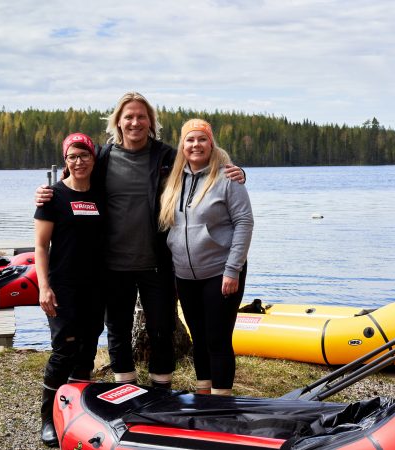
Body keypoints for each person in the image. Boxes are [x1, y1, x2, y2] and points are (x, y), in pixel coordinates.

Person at [35, 92, 245, 389]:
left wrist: (236, 171)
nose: (135, 122)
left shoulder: (166, 156)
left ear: (150, 122)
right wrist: (49, 193)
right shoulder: (104, 156)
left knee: (161, 329)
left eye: (141, 116)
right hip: (112, 263)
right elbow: (75, 178)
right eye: (128, 117)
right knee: (117, 331)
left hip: (156, 262)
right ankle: (126, 390)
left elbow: (200, 163)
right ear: (118, 123)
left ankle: (160, 391)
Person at [159, 119, 253, 396]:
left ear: (211, 144)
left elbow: (244, 223)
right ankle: (204, 397)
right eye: (190, 140)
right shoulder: (174, 180)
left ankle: (221, 402)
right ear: (182, 146)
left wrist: (233, 269)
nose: (196, 145)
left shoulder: (228, 179)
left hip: (220, 272)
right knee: (199, 338)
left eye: (202, 139)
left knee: (217, 339)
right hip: (186, 275)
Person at [34, 133, 104, 447]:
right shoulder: (53, 196)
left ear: (93, 158)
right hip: (62, 286)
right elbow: (40, 245)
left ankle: (75, 415)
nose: (79, 162)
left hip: (95, 286)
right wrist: (44, 287)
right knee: (65, 350)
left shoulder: (101, 195)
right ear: (66, 161)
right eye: (72, 157)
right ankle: (47, 417)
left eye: (84, 156)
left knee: (87, 352)